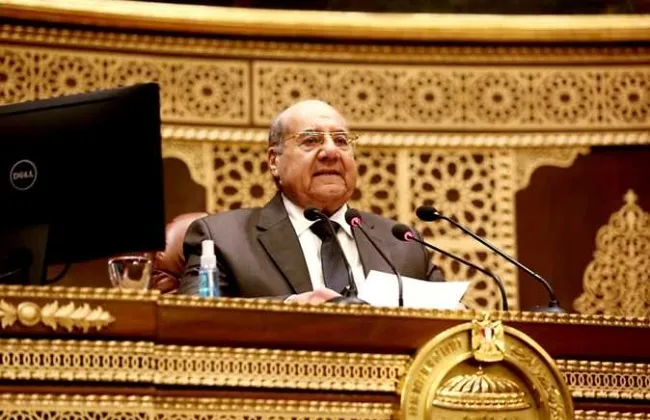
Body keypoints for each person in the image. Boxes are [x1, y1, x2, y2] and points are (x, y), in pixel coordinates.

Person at [180, 99, 443, 303]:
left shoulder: (404, 245)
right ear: (274, 161)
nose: (330, 151)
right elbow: (195, 324)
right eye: (311, 140)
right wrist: (291, 308)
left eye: (341, 141)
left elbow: (447, 327)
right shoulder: (222, 239)